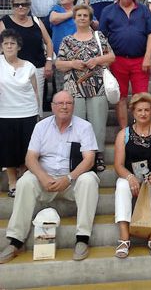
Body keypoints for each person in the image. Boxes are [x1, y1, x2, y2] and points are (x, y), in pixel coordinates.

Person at [0, 90, 100, 264]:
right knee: (25, 181)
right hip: (45, 181)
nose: (64, 106)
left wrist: (68, 178)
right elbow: (30, 158)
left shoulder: (84, 126)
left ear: (73, 107)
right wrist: (42, 176)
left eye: (68, 103)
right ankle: (16, 241)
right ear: (52, 106)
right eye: (60, 103)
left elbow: (89, 159)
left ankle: (83, 238)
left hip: (71, 182)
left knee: (89, 180)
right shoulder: (41, 126)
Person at [114, 93, 151, 258]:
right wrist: (129, 177)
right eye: (139, 110)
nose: (143, 113)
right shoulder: (124, 134)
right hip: (132, 178)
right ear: (133, 112)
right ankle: (124, 238)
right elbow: (118, 165)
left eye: (147, 110)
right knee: (121, 185)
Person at [56, 4, 115, 172]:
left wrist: (96, 61)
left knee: (98, 124)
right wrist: (72, 63)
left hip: (98, 86)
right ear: (74, 19)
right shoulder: (67, 40)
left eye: (85, 15)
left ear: (90, 19)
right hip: (74, 88)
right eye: (79, 15)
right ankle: (79, 156)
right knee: (77, 124)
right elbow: (58, 64)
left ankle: (98, 155)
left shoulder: (98, 36)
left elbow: (111, 56)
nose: (82, 18)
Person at [99, 0, 151, 129]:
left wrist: (148, 57)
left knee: (141, 98)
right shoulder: (108, 11)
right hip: (117, 60)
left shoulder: (143, 10)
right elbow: (102, 37)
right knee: (120, 97)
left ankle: (141, 129)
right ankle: (125, 131)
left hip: (140, 60)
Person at [0, 0, 54, 116]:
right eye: (17, 4)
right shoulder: (4, 22)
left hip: (37, 68)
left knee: (36, 103)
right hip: (12, 69)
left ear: (29, 7)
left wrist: (49, 61)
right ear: (12, 7)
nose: (21, 7)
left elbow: (49, 42)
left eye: (24, 4)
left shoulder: (36, 21)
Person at [0, 29, 39, 197]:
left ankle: (24, 179)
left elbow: (35, 91)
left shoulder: (29, 66)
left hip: (28, 112)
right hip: (5, 113)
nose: (9, 46)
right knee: (7, 150)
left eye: (12, 43)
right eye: (6, 43)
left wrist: (37, 113)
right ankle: (12, 181)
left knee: (26, 149)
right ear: (1, 46)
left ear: (18, 47)